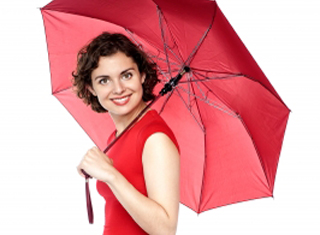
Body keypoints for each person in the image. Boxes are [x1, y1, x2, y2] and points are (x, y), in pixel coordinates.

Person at [72, 32, 180, 235]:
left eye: (126, 75)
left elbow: (165, 229)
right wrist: (96, 168)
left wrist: (111, 175)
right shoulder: (115, 137)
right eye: (104, 80)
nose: (119, 88)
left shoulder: (155, 137)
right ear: (91, 88)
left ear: (143, 75)